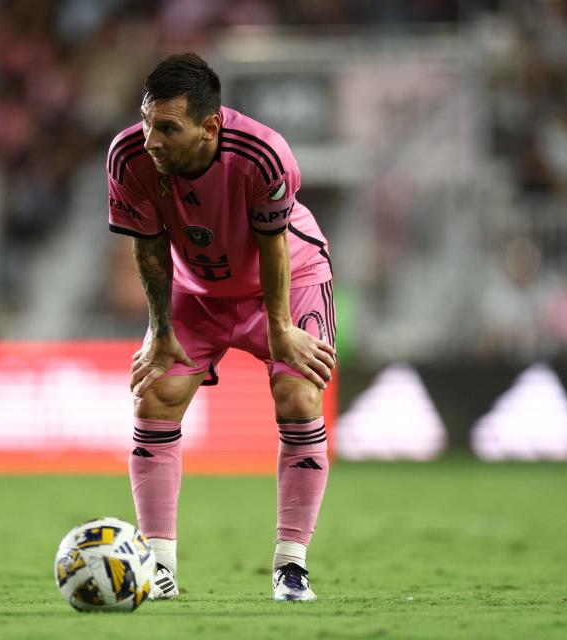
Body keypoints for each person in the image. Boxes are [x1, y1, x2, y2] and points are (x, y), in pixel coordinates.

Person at [107, 54, 336, 602]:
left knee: (298, 396)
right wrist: (160, 329)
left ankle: (291, 565)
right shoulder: (128, 158)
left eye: (168, 128)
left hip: (286, 280)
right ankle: (157, 567)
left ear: (210, 126)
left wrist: (280, 327)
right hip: (197, 292)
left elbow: (274, 243)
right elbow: (149, 246)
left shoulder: (261, 152)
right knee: (155, 396)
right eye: (147, 122)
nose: (152, 139)